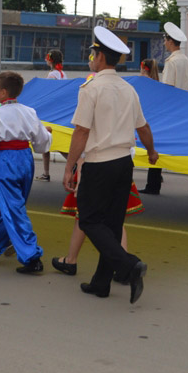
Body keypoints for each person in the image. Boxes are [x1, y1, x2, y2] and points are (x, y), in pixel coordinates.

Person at [63, 25, 158, 303]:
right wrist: (151, 151)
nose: (90, 58)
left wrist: (70, 167)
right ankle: (100, 283)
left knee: (90, 219)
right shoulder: (128, 89)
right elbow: (143, 127)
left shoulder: (91, 89)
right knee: (113, 224)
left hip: (99, 163)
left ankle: (129, 265)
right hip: (123, 163)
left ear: (100, 57)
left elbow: (81, 131)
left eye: (92, 53)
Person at [0, 72, 53, 273]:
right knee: (13, 205)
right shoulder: (29, 111)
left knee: (14, 209)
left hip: (6, 160)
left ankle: (31, 256)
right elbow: (41, 141)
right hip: (25, 158)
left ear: (4, 92)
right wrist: (47, 136)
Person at [142, 22, 188, 195]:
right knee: (178, 147)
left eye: (165, 40)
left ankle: (153, 185)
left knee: (158, 144)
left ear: (170, 41)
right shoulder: (186, 60)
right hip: (183, 107)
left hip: (170, 109)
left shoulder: (172, 62)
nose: (164, 43)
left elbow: (167, 88)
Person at [37, 49, 66, 181]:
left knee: (46, 142)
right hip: (61, 109)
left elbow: (47, 93)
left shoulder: (52, 75)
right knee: (61, 143)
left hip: (50, 111)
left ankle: (46, 172)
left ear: (50, 60)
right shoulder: (63, 74)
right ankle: (74, 164)